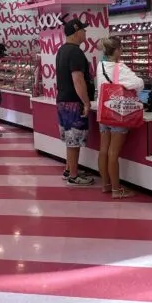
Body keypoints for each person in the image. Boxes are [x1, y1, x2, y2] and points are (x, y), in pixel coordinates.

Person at [95, 37, 144, 199]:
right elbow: (138, 83)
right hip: (118, 114)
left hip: (104, 112)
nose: (121, 51)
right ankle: (117, 190)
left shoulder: (100, 65)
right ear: (116, 51)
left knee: (103, 150)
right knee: (113, 153)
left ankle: (105, 185)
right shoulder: (120, 68)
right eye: (121, 49)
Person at [55, 18, 94, 185]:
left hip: (63, 101)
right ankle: (74, 176)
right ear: (77, 32)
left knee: (69, 139)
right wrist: (86, 102)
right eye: (83, 30)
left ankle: (69, 169)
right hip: (73, 103)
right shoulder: (76, 52)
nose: (85, 33)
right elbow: (78, 80)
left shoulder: (62, 50)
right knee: (74, 141)